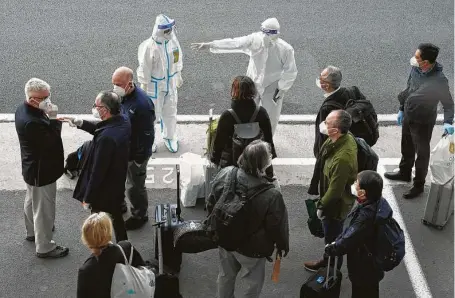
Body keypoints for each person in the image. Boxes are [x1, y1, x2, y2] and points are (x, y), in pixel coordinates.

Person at [206, 140, 289, 298]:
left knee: (225, 276)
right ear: (264, 163)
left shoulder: (227, 172)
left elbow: (212, 201)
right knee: (252, 283)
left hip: (225, 237)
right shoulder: (272, 194)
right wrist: (282, 244)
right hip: (252, 249)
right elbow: (276, 225)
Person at [191, 17, 298, 136]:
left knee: (270, 118)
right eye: (264, 32)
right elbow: (234, 43)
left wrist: (280, 89)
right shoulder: (254, 40)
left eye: (268, 34)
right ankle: (246, 140)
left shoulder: (285, 49)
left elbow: (291, 71)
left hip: (272, 86)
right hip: (252, 84)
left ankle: (267, 143)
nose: (265, 36)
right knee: (247, 114)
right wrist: (211, 45)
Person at [384, 43, 454, 199]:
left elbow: (448, 104)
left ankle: (419, 184)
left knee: (422, 153)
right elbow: (409, 88)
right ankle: (404, 172)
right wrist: (402, 108)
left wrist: (448, 122)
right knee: (406, 145)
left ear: (426, 62)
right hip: (409, 114)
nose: (414, 59)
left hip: (423, 121)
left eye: (417, 57)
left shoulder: (439, 81)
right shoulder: (415, 69)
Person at [65, 91, 131, 242]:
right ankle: (124, 245)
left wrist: (88, 198)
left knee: (97, 223)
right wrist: (80, 123)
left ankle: (101, 248)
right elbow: (102, 128)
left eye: (96, 105)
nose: (94, 107)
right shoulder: (123, 120)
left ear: (104, 110)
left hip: (103, 190)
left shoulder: (106, 139)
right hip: (117, 181)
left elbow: (98, 171)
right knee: (116, 217)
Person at [15, 78, 69, 258]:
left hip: (31, 168)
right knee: (45, 209)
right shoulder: (33, 122)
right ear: (32, 99)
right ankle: (45, 246)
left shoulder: (21, 111)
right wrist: (53, 119)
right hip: (42, 171)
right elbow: (51, 142)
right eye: (44, 97)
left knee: (31, 201)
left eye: (48, 96)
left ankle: (32, 231)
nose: (48, 100)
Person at [305, 110, 358, 271]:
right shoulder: (339, 139)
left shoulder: (342, 158)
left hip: (335, 207)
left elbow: (335, 191)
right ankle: (328, 261)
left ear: (335, 130)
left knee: (333, 239)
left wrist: (321, 207)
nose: (324, 124)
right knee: (332, 238)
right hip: (333, 198)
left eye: (327, 123)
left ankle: (332, 270)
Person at [324, 170, 388, 298]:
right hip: (374, 264)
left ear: (363, 193)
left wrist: (332, 248)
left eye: (356, 184)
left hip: (363, 268)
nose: (353, 185)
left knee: (361, 293)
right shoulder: (379, 203)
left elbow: (349, 239)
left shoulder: (365, 218)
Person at [112, 66, 156, 230]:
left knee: (135, 186)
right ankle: (121, 204)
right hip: (123, 150)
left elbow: (147, 136)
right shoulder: (123, 96)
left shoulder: (142, 105)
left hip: (135, 154)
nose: (115, 87)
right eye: (113, 83)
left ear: (129, 84)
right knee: (120, 180)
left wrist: (139, 159)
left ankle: (139, 215)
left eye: (118, 84)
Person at [211, 75, 277, 179]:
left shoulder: (227, 116)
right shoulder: (261, 113)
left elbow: (218, 145)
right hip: (257, 165)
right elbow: (269, 143)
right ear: (253, 91)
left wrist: (214, 161)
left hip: (232, 166)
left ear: (234, 91)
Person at [137, 14, 183, 153]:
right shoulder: (149, 47)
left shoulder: (173, 42)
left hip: (170, 84)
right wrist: (143, 86)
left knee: (170, 111)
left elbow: (178, 59)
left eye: (170, 29)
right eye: (167, 30)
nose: (170, 33)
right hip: (154, 86)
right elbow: (144, 68)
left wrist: (178, 75)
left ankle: (169, 137)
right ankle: (148, 140)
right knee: (152, 115)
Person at [77, 212, 145, 298]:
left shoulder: (86, 270)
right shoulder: (126, 248)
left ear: (86, 239)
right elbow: (142, 270)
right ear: (109, 232)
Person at [313, 66, 352, 157]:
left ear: (326, 85)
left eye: (321, 78)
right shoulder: (349, 92)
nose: (319, 79)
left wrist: (319, 154)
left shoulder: (327, 109)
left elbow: (323, 137)